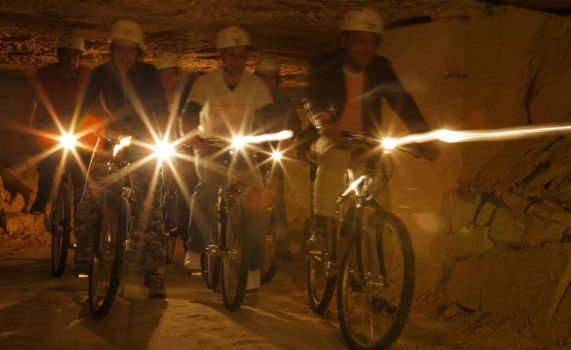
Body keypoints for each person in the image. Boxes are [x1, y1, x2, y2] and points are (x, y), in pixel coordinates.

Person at [304, 8, 440, 252]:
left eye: (372, 42)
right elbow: (314, 95)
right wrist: (324, 121)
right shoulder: (326, 63)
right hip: (330, 137)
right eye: (360, 40)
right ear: (345, 41)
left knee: (379, 189)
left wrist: (423, 137)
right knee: (335, 157)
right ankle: (321, 227)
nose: (367, 48)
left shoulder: (381, 68)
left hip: (366, 141)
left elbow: (403, 102)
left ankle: (367, 260)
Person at [73, 19, 169, 298]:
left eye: (131, 50)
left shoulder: (150, 75)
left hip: (141, 141)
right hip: (108, 138)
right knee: (91, 197)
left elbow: (160, 110)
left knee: (150, 204)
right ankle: (85, 257)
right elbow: (84, 107)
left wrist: (162, 139)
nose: (125, 55)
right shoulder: (99, 74)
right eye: (120, 49)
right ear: (112, 50)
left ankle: (154, 271)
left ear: (138, 52)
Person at [181, 25, 275, 291]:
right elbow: (190, 114)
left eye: (241, 55)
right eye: (231, 55)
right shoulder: (206, 83)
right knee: (208, 186)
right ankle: (197, 250)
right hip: (212, 145)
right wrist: (191, 135)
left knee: (256, 199)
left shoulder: (254, 85)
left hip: (244, 148)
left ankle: (253, 266)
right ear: (222, 57)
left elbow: (267, 115)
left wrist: (271, 135)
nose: (237, 60)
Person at [30, 31, 91, 215]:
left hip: (78, 128)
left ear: (80, 57)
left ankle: (81, 210)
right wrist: (30, 129)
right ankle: (42, 202)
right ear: (59, 55)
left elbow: (99, 104)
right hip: (52, 125)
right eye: (67, 54)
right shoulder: (44, 75)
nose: (71, 59)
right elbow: (33, 102)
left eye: (75, 54)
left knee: (81, 171)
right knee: (47, 165)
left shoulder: (88, 76)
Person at [254, 57, 301, 259]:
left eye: (272, 78)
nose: (267, 82)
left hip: (273, 151)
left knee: (277, 198)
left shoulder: (283, 102)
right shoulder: (248, 98)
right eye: (263, 78)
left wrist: (287, 137)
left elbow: (293, 123)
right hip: (249, 150)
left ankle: (282, 245)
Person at [154, 52, 198, 246]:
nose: (170, 78)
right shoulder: (151, 98)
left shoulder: (187, 97)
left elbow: (193, 121)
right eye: (165, 74)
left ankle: (189, 237)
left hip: (181, 148)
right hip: (157, 145)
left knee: (186, 187)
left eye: (173, 74)